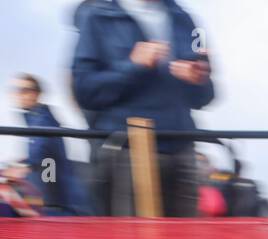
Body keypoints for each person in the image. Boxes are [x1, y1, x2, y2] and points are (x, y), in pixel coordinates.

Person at [72, 0, 215, 217]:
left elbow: (205, 96)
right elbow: (85, 91)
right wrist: (134, 66)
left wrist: (199, 79)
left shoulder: (184, 18)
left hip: (183, 153)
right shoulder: (97, 17)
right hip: (129, 152)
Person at [11, 74, 93, 215]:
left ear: (36, 93)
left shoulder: (42, 121)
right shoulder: (36, 119)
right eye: (16, 90)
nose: (18, 94)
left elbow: (44, 155)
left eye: (23, 90)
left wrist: (25, 167)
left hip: (56, 204)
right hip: (55, 199)